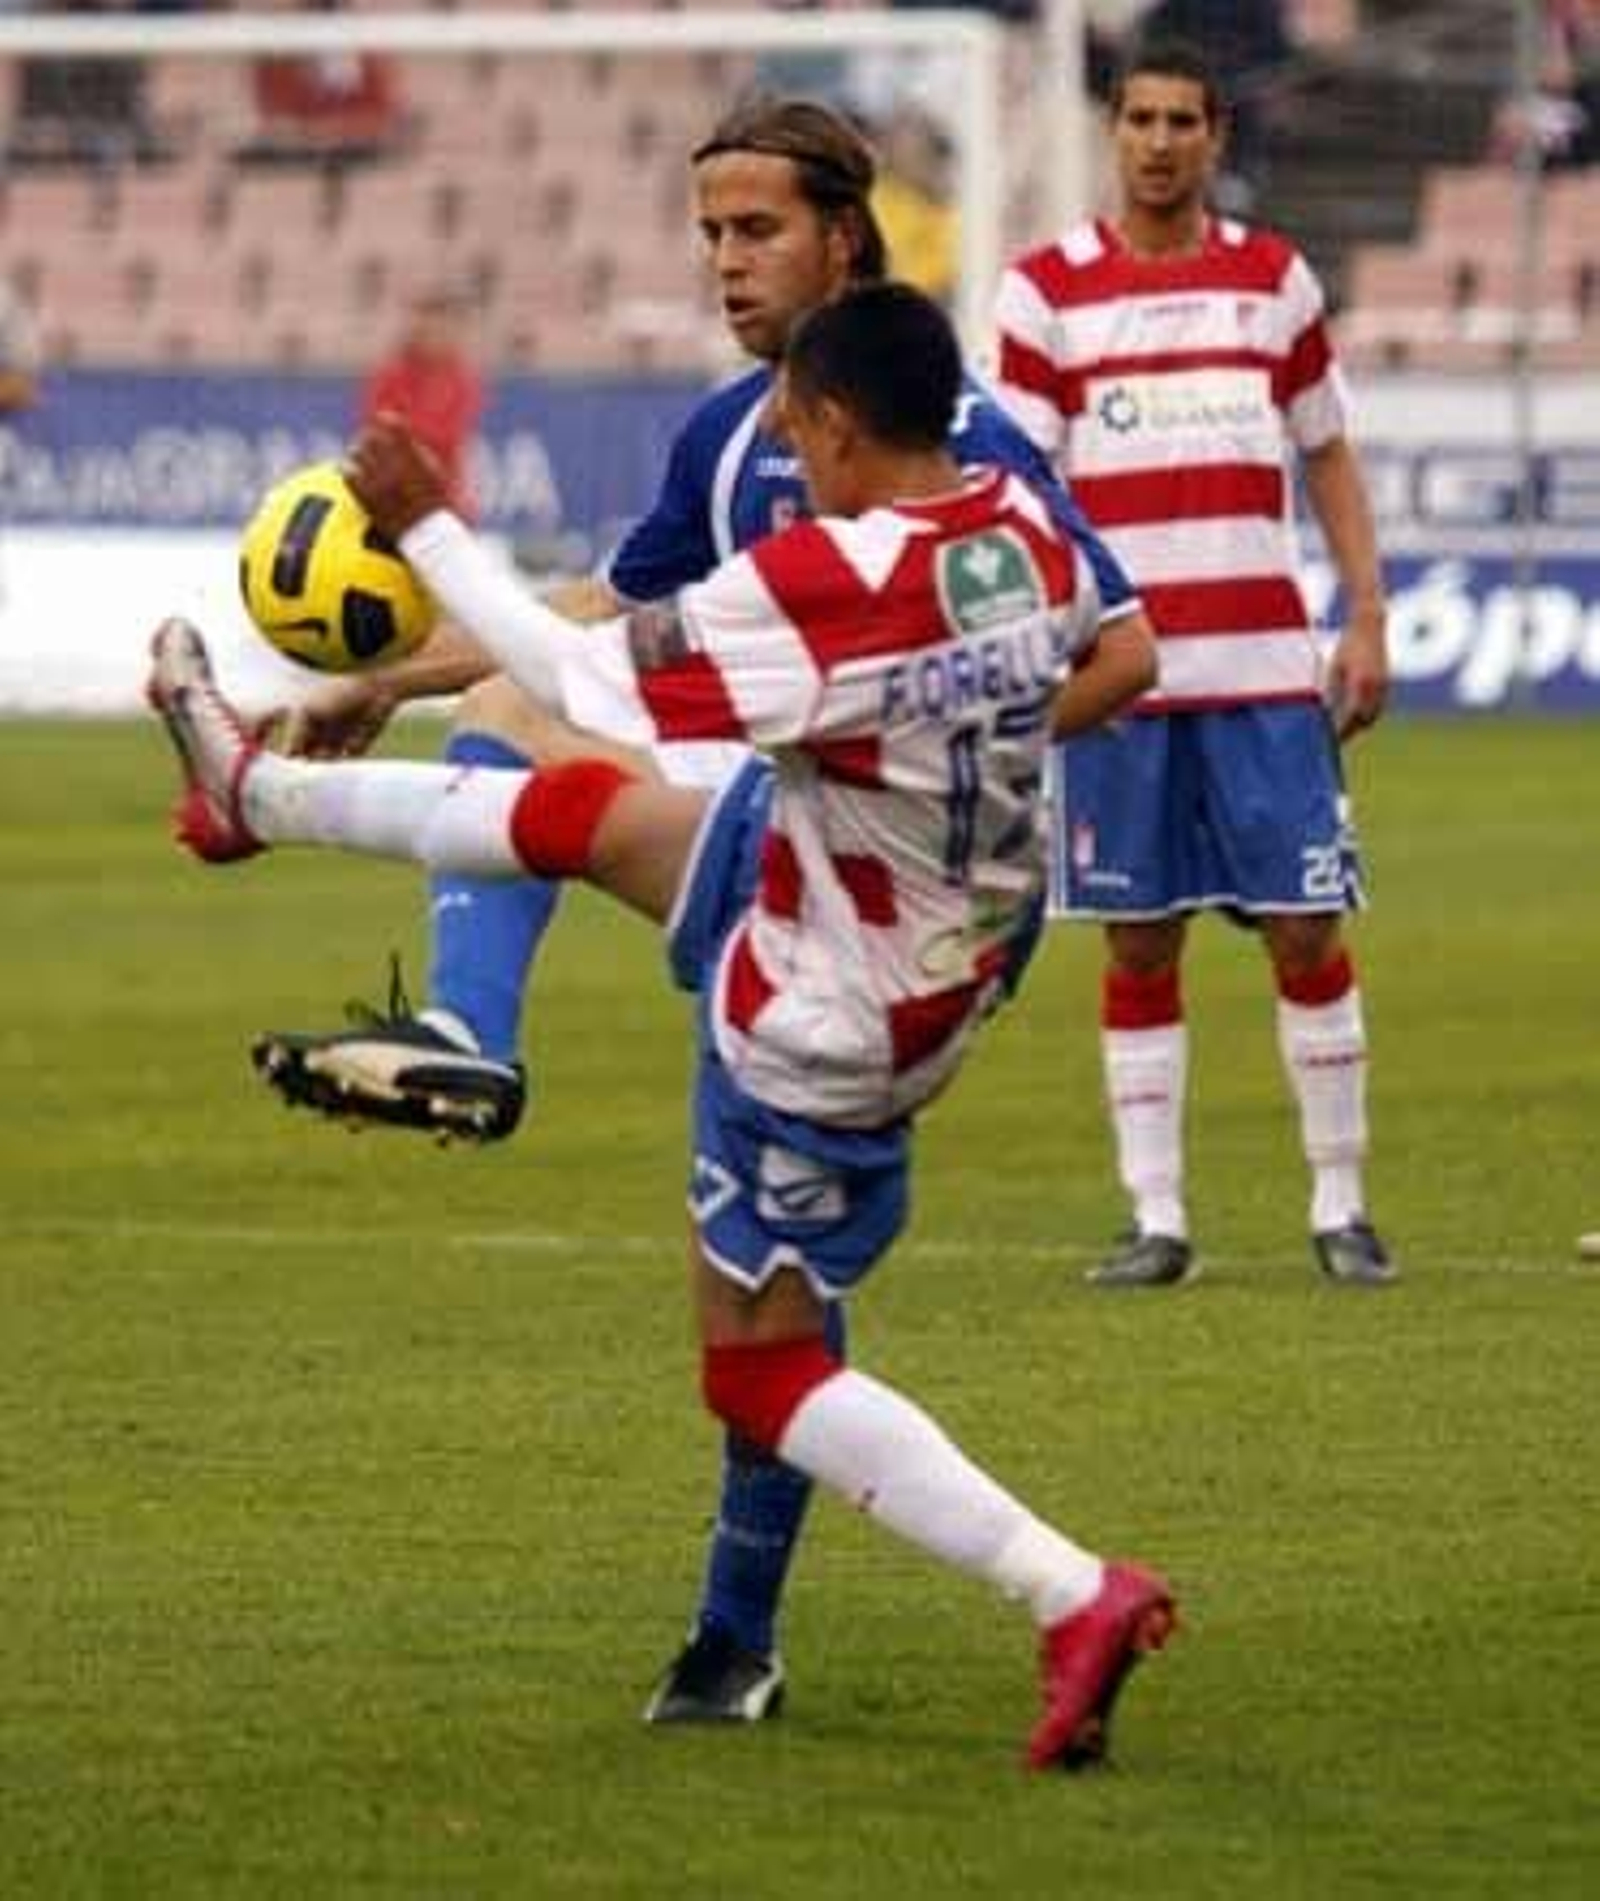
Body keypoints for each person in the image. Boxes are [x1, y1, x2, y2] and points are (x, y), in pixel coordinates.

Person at [147, 281, 1172, 1773]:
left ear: (827, 423)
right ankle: (257, 797)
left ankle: (1071, 1591)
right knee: (589, 813)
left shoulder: (838, 573)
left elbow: (577, 671)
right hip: (908, 906)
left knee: (756, 1367)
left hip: (830, 1012)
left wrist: (430, 525)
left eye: (798, 435)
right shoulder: (1019, 536)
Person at [993, 37, 1396, 1291]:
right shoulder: (1042, 292)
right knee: (1136, 944)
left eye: (1183, 121)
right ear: (1113, 133)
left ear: (1215, 138)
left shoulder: (1273, 282)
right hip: (1126, 683)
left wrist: (1366, 613)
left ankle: (1341, 1204)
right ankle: (1156, 1217)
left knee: (1305, 929)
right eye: (1140, 119)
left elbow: (1324, 450)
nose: (1160, 142)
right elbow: (1020, 489)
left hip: (1266, 671)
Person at [359, 286, 486, 521]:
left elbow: (449, 436)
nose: (436, 331)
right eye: (428, 322)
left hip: (441, 499)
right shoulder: (390, 373)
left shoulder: (463, 378)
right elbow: (378, 428)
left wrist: (409, 436)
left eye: (446, 324)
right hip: (391, 497)